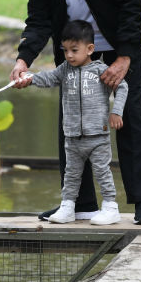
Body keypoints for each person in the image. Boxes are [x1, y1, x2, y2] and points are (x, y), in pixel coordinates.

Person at [10, 0, 141, 224]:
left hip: (117, 49)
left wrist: (125, 56)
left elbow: (132, 1)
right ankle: (81, 203)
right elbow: (39, 17)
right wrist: (24, 59)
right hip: (75, 53)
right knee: (73, 123)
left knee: (129, 118)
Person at [20, 20, 127, 225]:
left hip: (98, 135)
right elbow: (48, 78)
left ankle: (111, 207)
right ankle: (68, 207)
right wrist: (30, 79)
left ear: (90, 49)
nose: (69, 55)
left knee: (103, 172)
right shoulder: (64, 70)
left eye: (74, 50)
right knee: (71, 175)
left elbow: (122, 87)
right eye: (65, 50)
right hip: (72, 137)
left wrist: (116, 112)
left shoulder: (100, 70)